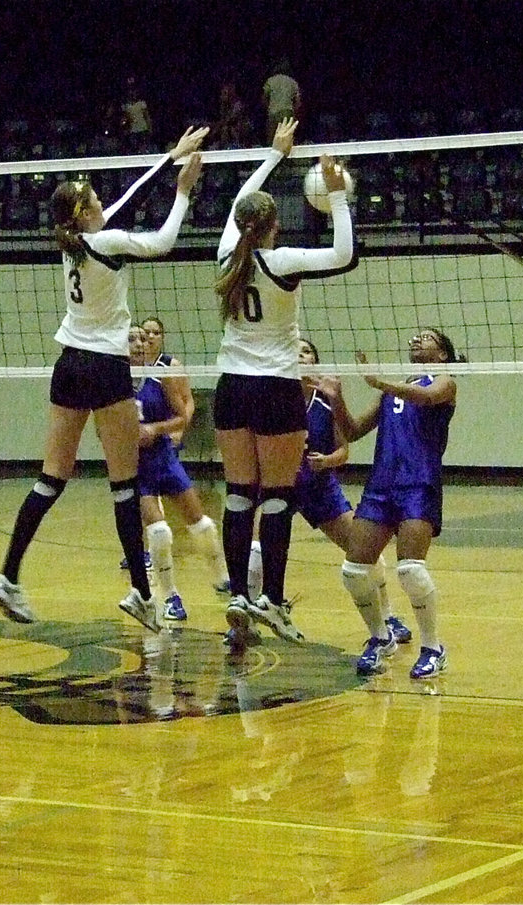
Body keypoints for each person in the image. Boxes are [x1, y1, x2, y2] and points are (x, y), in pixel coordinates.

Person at [0, 125, 208, 633]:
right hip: (106, 367)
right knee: (124, 482)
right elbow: (164, 241)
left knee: (52, 476)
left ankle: (8, 576)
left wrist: (169, 155)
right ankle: (141, 593)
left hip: (69, 364)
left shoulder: (76, 242)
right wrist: (182, 191)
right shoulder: (106, 240)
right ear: (85, 213)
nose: (106, 202)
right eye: (96, 200)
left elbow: (126, 200)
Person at [212, 117, 353, 650]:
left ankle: (238, 598)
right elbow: (343, 256)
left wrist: (273, 156)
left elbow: (239, 204)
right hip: (274, 388)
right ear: (274, 226)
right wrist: (337, 197)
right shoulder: (283, 259)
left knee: (238, 493)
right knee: (277, 494)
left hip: (231, 388)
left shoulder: (228, 253)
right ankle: (270, 595)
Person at [247, 338, 412, 645]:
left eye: (307, 351)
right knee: (256, 546)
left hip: (320, 488)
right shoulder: (271, 400)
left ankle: (388, 616)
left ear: (315, 362)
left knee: (362, 551)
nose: (300, 355)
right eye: (294, 351)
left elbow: (344, 451)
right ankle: (248, 618)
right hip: (281, 486)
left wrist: (326, 462)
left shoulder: (326, 401)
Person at [323, 329, 462, 679]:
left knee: (411, 570)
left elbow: (426, 397)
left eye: (427, 338)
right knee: (354, 571)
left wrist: (379, 382)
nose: (417, 340)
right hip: (381, 486)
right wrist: (336, 398)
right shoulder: (392, 390)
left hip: (418, 484)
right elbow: (353, 431)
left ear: (443, 354)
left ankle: (433, 647)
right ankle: (379, 637)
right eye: (415, 337)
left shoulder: (445, 381)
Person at [128, 324, 229, 622]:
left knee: (202, 524)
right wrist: (124, 436)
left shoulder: (162, 375)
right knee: (159, 532)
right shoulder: (114, 381)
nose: (139, 344)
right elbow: (100, 429)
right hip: (135, 466)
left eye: (143, 339)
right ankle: (171, 597)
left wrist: (155, 429)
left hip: (163, 457)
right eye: (132, 339)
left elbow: (182, 416)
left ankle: (223, 578)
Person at [261, 60, 301, 145]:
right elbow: (298, 102)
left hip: (273, 112)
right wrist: (294, 114)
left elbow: (264, 98)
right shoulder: (292, 82)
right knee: (287, 139)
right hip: (287, 112)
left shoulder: (270, 81)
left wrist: (268, 108)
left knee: (271, 139)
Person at [214, 80, 255, 148]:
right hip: (230, 127)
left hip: (241, 126)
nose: (222, 96)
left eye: (225, 93)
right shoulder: (224, 106)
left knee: (226, 129)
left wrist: (217, 127)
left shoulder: (238, 105)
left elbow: (230, 119)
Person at [121, 75, 155, 153]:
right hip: (132, 130)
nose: (132, 94)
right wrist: (126, 127)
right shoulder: (126, 106)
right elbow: (125, 117)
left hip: (143, 128)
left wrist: (150, 127)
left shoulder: (141, 103)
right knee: (134, 147)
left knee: (143, 146)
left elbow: (146, 116)